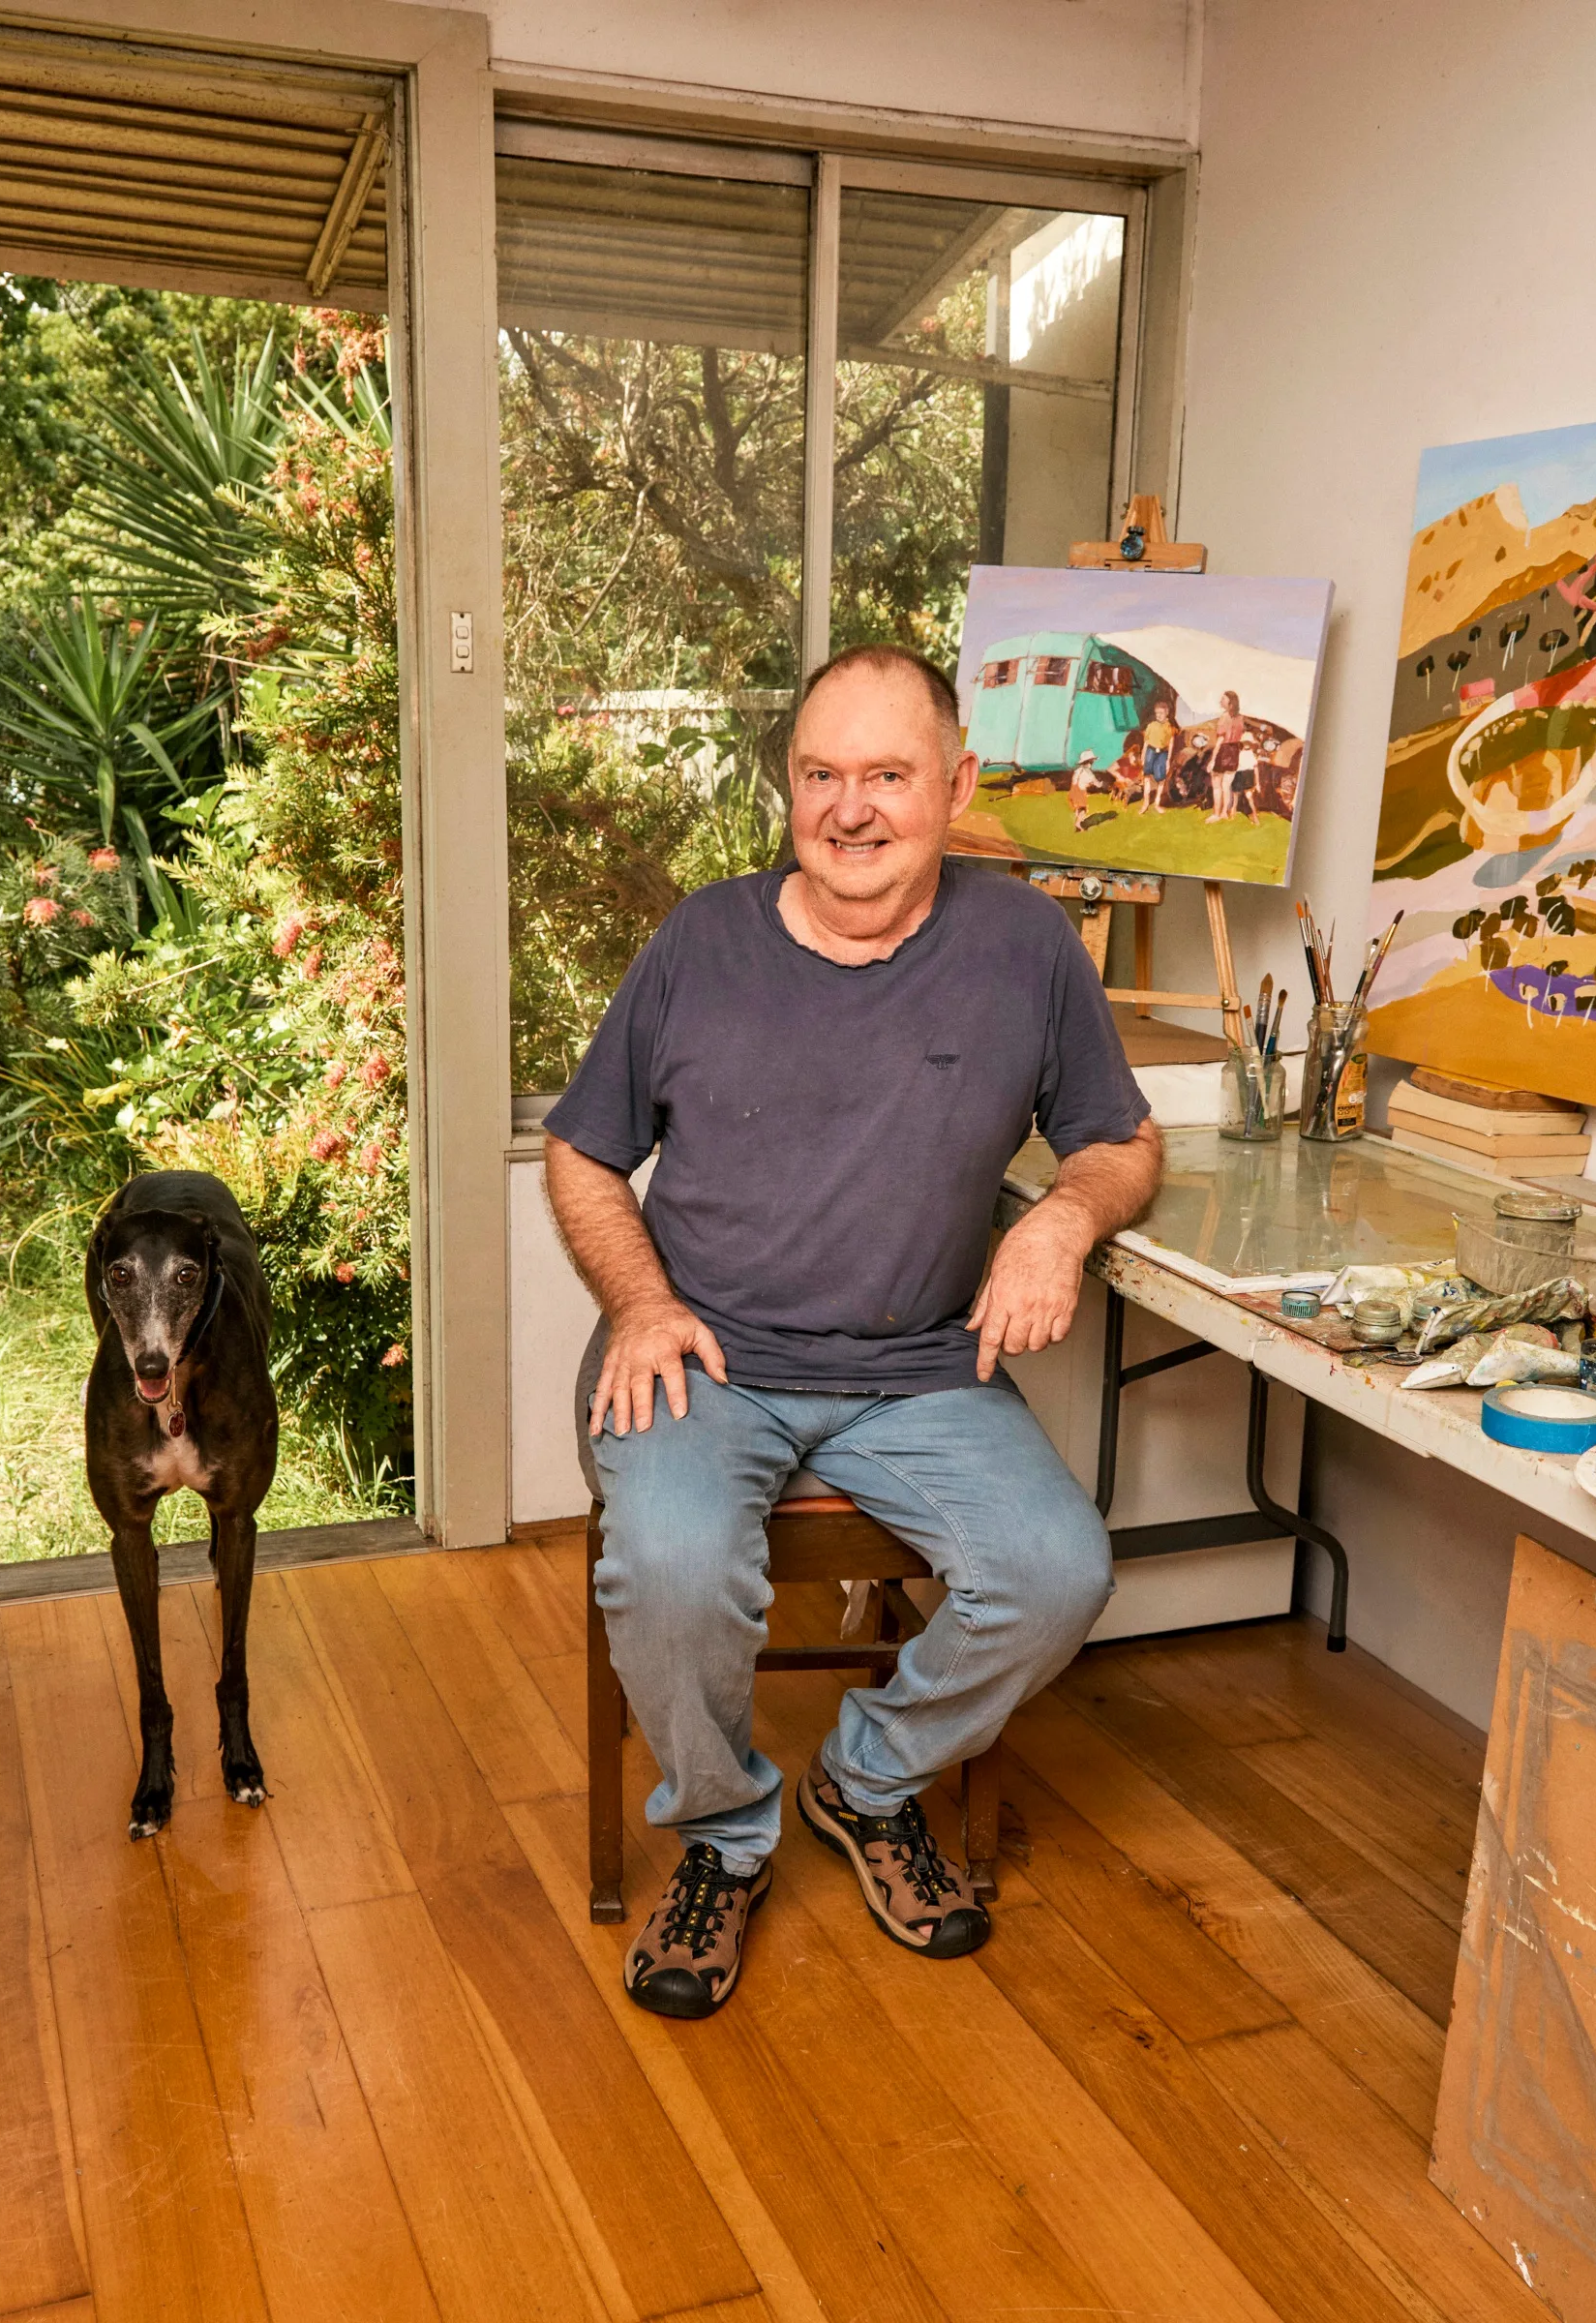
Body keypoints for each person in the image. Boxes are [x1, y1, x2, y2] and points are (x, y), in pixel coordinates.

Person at [544, 645, 1162, 2019]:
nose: (852, 808)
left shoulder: (1024, 951)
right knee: (674, 1558)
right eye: (821, 775)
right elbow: (582, 1157)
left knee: (1059, 1570)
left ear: (954, 785)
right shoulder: (702, 941)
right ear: (790, 790)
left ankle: (863, 1780)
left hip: (915, 1369)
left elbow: (1120, 1142)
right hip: (704, 1352)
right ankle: (723, 1833)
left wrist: (1060, 1223)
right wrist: (643, 1305)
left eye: (888, 774)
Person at [1209, 689, 1246, 821]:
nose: (1220, 701)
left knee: (1217, 785)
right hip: (1234, 751)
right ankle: (1225, 812)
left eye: (1223, 699)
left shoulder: (1224, 717)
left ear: (1230, 703)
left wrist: (1212, 760)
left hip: (1224, 751)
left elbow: (1220, 740)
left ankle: (1216, 814)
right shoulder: (1240, 718)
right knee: (1227, 786)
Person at [1137, 698, 1176, 814]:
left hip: (1162, 753)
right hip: (1150, 752)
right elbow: (1146, 742)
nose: (1158, 716)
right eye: (1157, 713)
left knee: (1161, 779)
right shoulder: (1151, 725)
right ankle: (1145, 803)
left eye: (1161, 713)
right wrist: (1143, 756)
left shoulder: (1170, 727)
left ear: (1167, 713)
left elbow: (1171, 743)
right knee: (1147, 777)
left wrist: (1168, 760)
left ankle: (1157, 803)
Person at [1068, 745, 1101, 831]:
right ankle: (1078, 823)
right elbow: (1096, 783)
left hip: (1073, 790)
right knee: (1083, 809)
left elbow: (1074, 780)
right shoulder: (1089, 773)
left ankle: (1078, 819)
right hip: (1080, 791)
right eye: (1092, 761)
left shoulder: (1078, 770)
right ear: (1090, 762)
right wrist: (1100, 784)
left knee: (1078, 808)